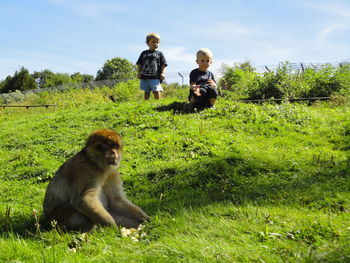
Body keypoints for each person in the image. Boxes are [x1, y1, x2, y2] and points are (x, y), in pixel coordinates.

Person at [136, 33, 167, 100]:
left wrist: (162, 73)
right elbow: (139, 64)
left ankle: (158, 102)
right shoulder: (144, 53)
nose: (155, 43)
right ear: (148, 43)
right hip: (145, 76)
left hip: (155, 77)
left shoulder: (159, 54)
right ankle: (146, 103)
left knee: (156, 90)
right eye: (153, 42)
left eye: (157, 42)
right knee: (146, 91)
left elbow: (163, 64)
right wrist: (139, 73)